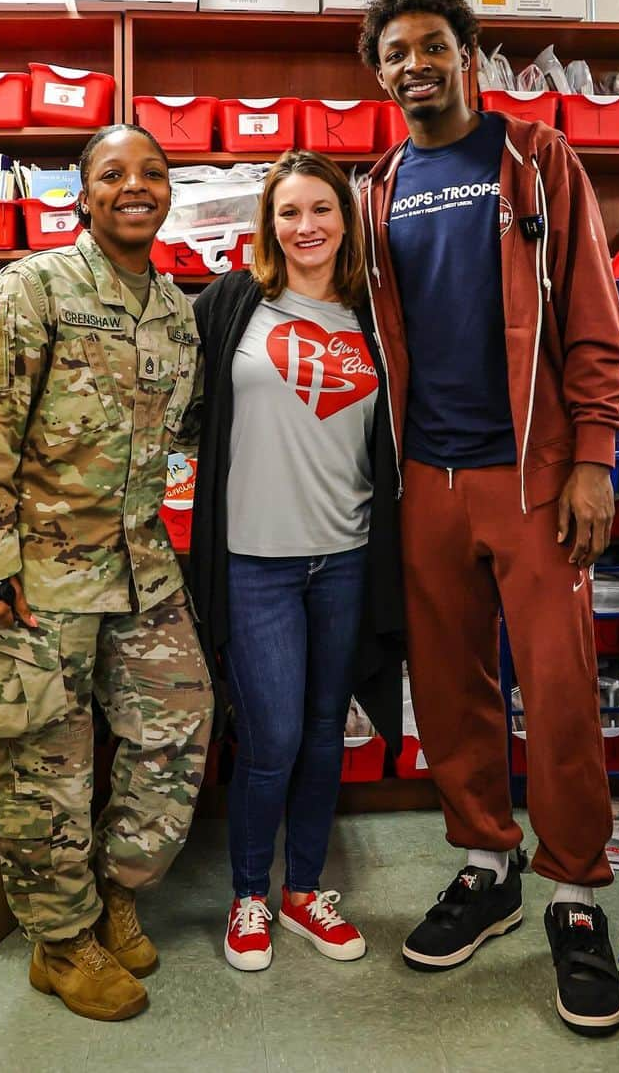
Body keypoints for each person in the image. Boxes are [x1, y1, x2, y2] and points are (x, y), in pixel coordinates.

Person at [357, 0, 619, 1036]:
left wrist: (594, 456)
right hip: (427, 476)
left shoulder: (539, 159)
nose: (414, 65)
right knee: (450, 686)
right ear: (377, 73)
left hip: (534, 474)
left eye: (433, 46)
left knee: (560, 686)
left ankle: (575, 892)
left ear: (469, 56)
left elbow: (596, 315)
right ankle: (487, 863)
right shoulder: (378, 186)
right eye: (395, 54)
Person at [0, 124, 213, 1022]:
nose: (136, 186)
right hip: (34, 575)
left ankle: (115, 894)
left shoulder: (175, 310)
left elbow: (189, 432)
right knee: (44, 762)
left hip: (139, 564)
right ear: (84, 194)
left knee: (178, 723)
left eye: (153, 172)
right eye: (114, 173)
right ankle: (61, 944)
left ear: (168, 192)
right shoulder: (31, 289)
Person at [190, 149, 403, 973]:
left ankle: (305, 890)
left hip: (347, 557)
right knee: (272, 735)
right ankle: (249, 893)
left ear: (346, 220)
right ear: (268, 223)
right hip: (255, 562)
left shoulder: (378, 314)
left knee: (323, 734)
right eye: (289, 211)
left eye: (322, 208)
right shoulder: (236, 303)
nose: (305, 225)